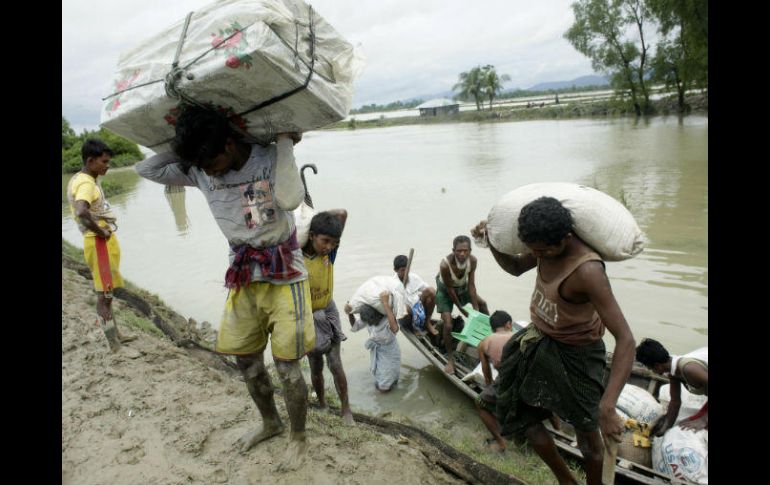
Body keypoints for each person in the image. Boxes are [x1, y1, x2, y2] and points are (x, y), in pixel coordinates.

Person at [135, 105, 314, 471]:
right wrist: (186, 146)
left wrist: (284, 144)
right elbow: (146, 169)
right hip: (244, 275)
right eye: (201, 165)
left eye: (212, 161)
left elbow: (292, 200)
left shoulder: (267, 158)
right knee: (246, 361)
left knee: (288, 369)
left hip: (284, 277)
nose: (209, 171)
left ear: (231, 144)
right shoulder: (199, 168)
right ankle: (270, 422)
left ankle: (298, 437)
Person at [471, 196, 635, 485]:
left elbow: (625, 340)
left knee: (587, 434)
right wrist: (490, 241)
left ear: (566, 239)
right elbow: (516, 267)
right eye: (534, 250)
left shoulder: (587, 271)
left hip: (578, 355)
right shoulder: (543, 246)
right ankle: (566, 480)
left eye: (544, 251)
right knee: (512, 409)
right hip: (537, 340)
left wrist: (608, 406)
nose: (539, 256)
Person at [67, 139, 138, 354]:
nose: (108, 165)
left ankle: (117, 334)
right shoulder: (87, 184)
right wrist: (101, 231)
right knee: (104, 296)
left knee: (107, 292)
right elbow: (81, 211)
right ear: (91, 161)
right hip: (98, 244)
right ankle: (115, 346)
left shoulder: (81, 178)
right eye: (104, 161)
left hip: (98, 242)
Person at [303, 210, 354, 425]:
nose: (329, 247)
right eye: (325, 241)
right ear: (311, 235)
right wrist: (305, 226)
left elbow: (342, 213)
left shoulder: (328, 255)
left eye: (333, 243)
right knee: (315, 365)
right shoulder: (297, 257)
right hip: (307, 316)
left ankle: (346, 409)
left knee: (335, 363)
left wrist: (312, 215)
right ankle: (322, 403)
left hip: (328, 310)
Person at [436, 235, 489, 374]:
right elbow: (450, 290)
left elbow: (471, 285)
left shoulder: (473, 261)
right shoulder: (445, 265)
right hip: (446, 291)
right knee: (448, 324)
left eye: (465, 251)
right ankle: (450, 360)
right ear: (453, 250)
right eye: (459, 251)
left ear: (470, 250)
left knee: (483, 305)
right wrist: (462, 309)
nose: (462, 254)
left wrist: (476, 310)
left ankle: (488, 337)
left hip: (463, 287)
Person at [635, 338, 708, 434]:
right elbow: (675, 402)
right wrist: (666, 428)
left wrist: (703, 420)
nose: (651, 371)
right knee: (684, 424)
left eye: (649, 368)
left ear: (657, 366)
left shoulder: (688, 369)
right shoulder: (673, 372)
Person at [475, 310, 515, 452]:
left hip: (507, 380)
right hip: (530, 380)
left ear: (492, 328)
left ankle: (501, 442)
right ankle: (558, 428)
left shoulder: (484, 342)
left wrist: (490, 387)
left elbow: (487, 374)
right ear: (509, 324)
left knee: (480, 403)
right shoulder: (518, 336)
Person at [344, 293, 401, 393]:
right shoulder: (369, 317)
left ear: (378, 316)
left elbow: (395, 329)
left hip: (390, 353)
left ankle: (385, 398)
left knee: (385, 386)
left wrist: (385, 303)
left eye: (371, 322)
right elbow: (355, 326)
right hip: (378, 352)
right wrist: (350, 313)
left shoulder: (387, 318)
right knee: (382, 378)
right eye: (368, 322)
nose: (370, 324)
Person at [392, 255, 436, 336]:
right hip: (406, 315)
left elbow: (426, 289)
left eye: (407, 269)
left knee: (431, 291)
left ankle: (427, 322)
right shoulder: (392, 284)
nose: (406, 273)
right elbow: (394, 307)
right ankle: (413, 327)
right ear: (395, 270)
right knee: (404, 309)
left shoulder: (413, 277)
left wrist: (419, 297)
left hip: (418, 309)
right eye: (402, 270)